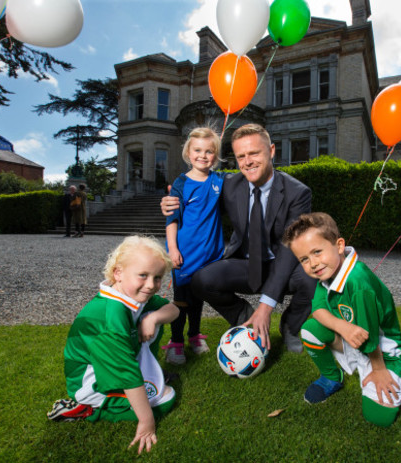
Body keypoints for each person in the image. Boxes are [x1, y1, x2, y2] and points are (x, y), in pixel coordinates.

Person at [160, 124, 316, 352]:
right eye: (241, 156)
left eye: (254, 153)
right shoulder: (229, 185)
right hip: (245, 264)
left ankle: (290, 326)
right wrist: (171, 202)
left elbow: (288, 250)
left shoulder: (298, 193)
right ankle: (245, 318)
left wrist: (266, 306)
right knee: (201, 280)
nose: (248, 161)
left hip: (280, 262)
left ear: (271, 151)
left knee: (312, 274)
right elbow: (198, 193)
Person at [47, 235, 180, 454]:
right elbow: (125, 373)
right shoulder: (111, 316)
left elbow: (173, 309)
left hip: (116, 365)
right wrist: (146, 423)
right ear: (118, 273)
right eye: (143, 275)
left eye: (157, 278)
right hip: (91, 383)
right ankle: (86, 408)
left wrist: (152, 318)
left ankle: (148, 374)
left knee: (153, 316)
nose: (151, 285)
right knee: (166, 398)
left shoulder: (131, 296)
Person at [282, 212, 401, 427]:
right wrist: (342, 327)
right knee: (310, 329)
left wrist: (378, 370)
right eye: (304, 259)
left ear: (339, 246)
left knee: (379, 417)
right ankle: (331, 377)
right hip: (353, 339)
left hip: (380, 353)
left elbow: (369, 335)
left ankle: (378, 371)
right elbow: (318, 309)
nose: (312, 263)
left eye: (317, 252)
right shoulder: (327, 273)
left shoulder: (357, 282)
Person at [161, 127, 225, 365]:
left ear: (216, 155)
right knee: (181, 301)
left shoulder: (219, 181)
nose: (203, 155)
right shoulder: (181, 183)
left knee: (198, 300)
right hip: (185, 256)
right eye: (198, 150)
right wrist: (172, 249)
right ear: (188, 152)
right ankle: (175, 342)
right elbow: (172, 219)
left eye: (209, 151)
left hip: (210, 258)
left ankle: (195, 336)